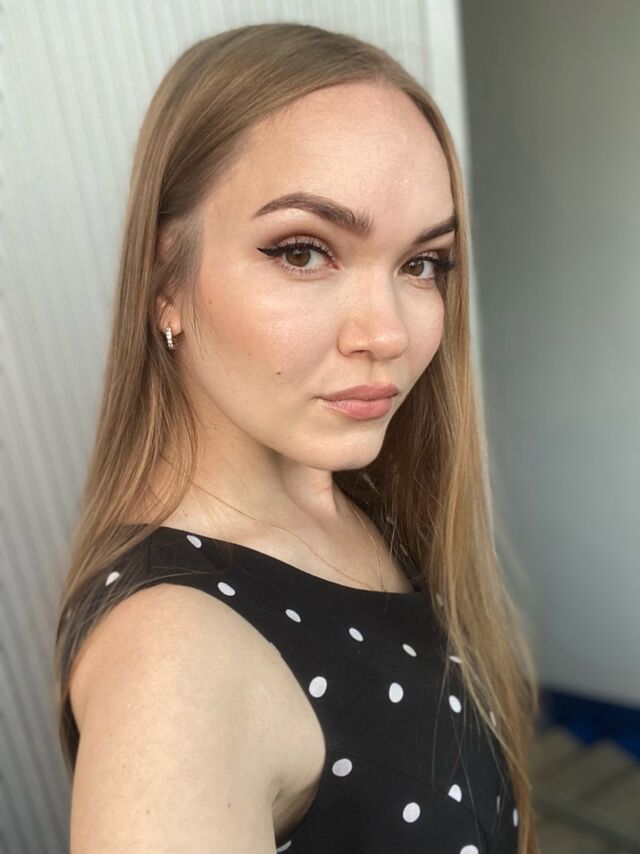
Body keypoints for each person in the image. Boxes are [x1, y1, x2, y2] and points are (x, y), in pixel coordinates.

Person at [54, 22, 540, 853]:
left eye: (422, 263)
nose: (387, 334)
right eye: (304, 252)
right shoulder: (174, 665)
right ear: (165, 280)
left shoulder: (362, 497)